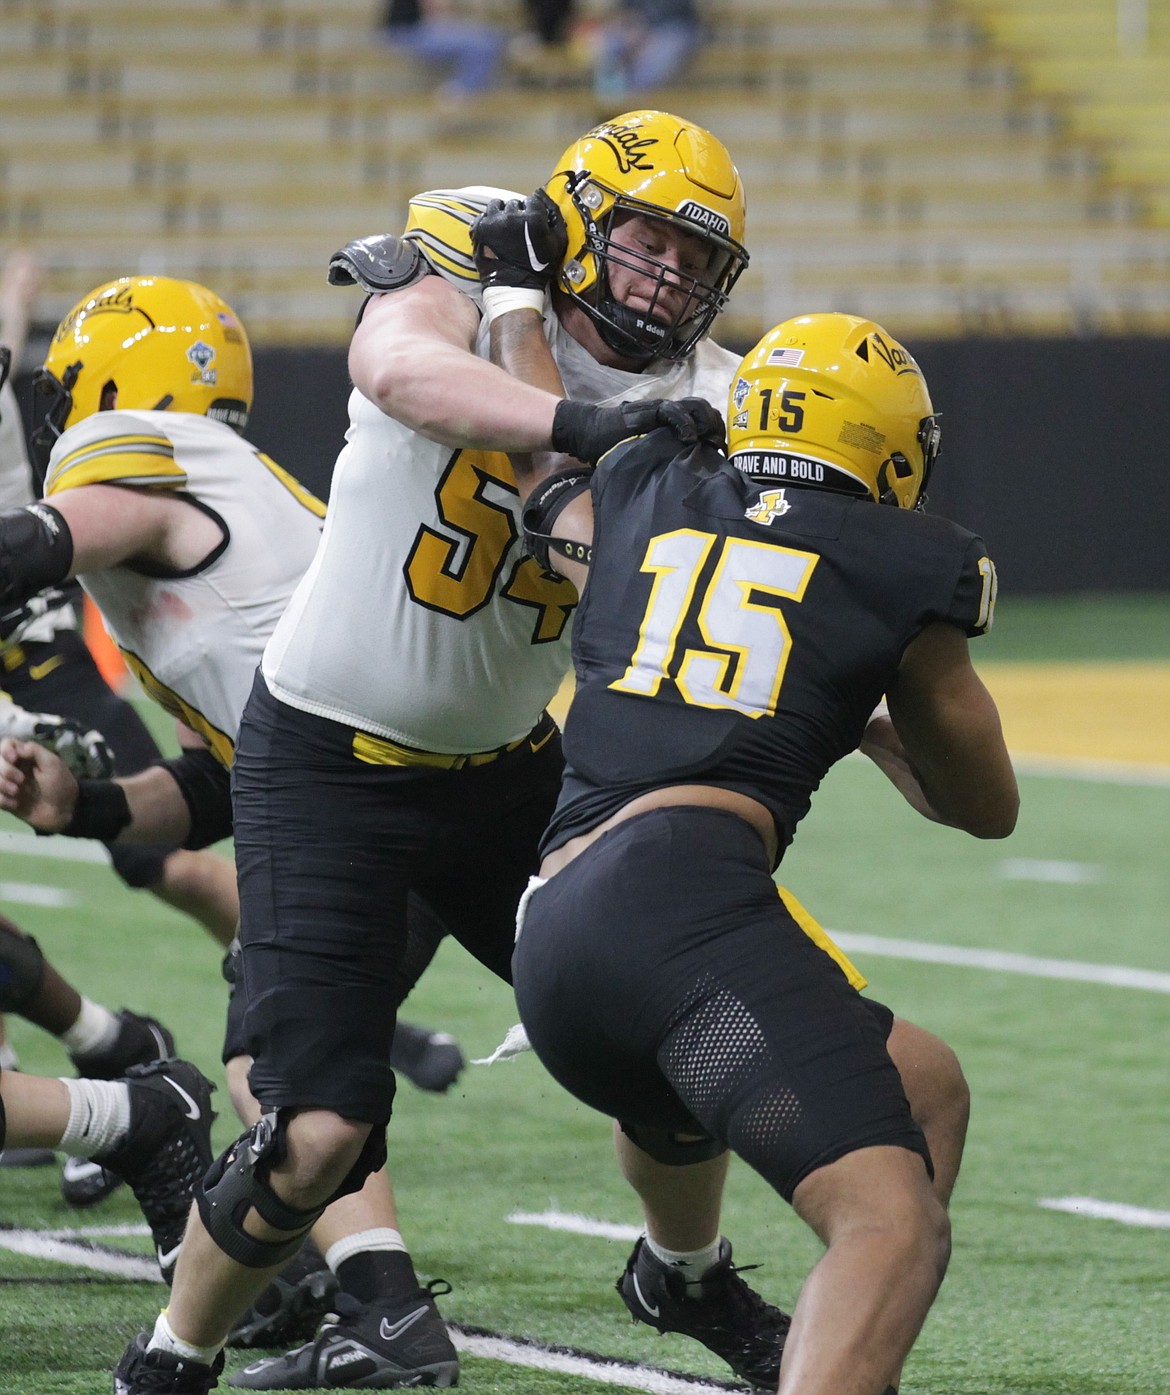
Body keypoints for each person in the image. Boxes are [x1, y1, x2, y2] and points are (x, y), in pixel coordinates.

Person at [106, 110, 798, 1395]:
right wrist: (589, 431)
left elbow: (632, 580)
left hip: (511, 773)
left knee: (674, 1047)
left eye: (695, 261)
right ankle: (169, 1361)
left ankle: (683, 1272)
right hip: (324, 760)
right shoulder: (476, 254)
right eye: (645, 239)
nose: (665, 279)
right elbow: (397, 373)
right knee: (311, 1133)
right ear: (580, 219)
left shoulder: (708, 398)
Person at [486, 299, 1018, 1395]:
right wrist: (875, 714)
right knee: (891, 1224)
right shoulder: (904, 557)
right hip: (677, 908)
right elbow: (985, 804)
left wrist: (505, 305)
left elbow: (540, 456)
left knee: (925, 1088)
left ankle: (827, 1350)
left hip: (554, 938)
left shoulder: (644, 485)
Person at [0, 273, 463, 1369]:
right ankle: (371, 1300)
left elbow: (27, 549)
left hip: (391, 791)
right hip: (414, 783)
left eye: (72, 391)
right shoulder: (235, 503)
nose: (62, 414)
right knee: (294, 1038)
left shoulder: (144, 456)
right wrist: (96, 809)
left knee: (282, 1051)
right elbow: (219, 775)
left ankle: (339, 1310)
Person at [594, 0, 703, 101]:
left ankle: (635, 104)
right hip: (640, 26)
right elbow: (625, 10)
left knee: (653, 59)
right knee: (612, 42)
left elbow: (681, 14)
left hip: (674, 28)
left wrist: (647, 38)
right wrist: (634, 28)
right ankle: (609, 102)